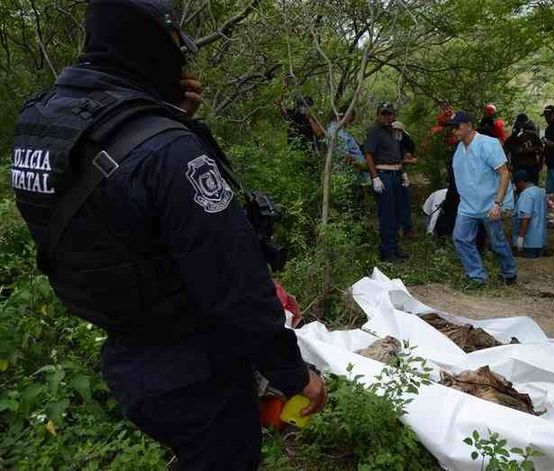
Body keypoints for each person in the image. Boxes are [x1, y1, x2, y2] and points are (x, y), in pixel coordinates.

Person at [10, 1, 327, 468]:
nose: (182, 65)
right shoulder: (169, 150)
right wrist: (293, 373)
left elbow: (113, 211)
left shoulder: (40, 121)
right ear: (149, 46)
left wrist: (167, 116)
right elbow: (233, 282)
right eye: (176, 49)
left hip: (127, 356)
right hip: (195, 368)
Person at [446, 111, 516, 285]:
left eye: (457, 126)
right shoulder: (459, 149)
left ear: (469, 125)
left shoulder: (487, 144)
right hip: (467, 206)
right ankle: (477, 276)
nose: (453, 131)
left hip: (490, 204)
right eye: (451, 128)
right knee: (460, 238)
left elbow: (504, 173)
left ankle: (509, 273)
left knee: (497, 242)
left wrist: (498, 203)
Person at [365, 102, 407, 261]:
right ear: (378, 115)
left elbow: (398, 154)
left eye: (389, 114)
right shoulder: (374, 131)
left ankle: (394, 247)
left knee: (397, 213)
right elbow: (368, 155)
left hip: (396, 174)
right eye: (383, 114)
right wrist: (375, 177)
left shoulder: (395, 132)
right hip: (383, 175)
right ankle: (387, 251)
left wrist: (403, 172)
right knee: (387, 214)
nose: (386, 117)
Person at [512, 170, 548, 258]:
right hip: (541, 239)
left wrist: (521, 236)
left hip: (529, 241)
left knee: (529, 258)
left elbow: (526, 218)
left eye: (516, 183)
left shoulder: (526, 194)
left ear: (521, 182)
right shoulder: (540, 191)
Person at [392, 120, 417, 239]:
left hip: (401, 174)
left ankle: (407, 228)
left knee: (404, 201)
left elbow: (411, 156)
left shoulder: (406, 140)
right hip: (390, 174)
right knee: (392, 203)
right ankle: (395, 229)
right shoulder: (386, 140)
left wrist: (406, 160)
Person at [506, 120, 544, 184]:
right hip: (521, 166)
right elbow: (509, 150)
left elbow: (541, 150)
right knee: (525, 185)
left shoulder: (533, 136)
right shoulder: (514, 137)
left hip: (529, 166)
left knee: (528, 185)